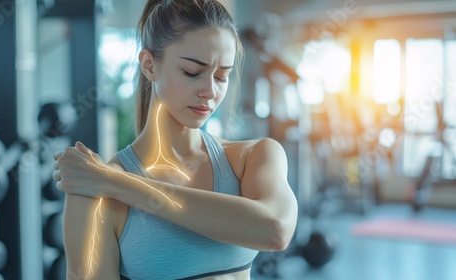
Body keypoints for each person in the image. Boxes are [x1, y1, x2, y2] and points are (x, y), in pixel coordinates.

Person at [53, 0, 298, 279]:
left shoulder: (253, 157)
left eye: (221, 76)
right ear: (149, 65)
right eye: (192, 72)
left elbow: (275, 230)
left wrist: (116, 183)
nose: (210, 91)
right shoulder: (94, 196)